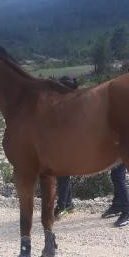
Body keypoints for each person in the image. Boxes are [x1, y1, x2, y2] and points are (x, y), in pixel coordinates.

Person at [53, 76, 79, 220]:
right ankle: (68, 204)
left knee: (63, 176)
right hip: (65, 145)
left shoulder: (69, 105)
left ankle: (62, 206)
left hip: (66, 146)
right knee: (64, 176)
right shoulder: (72, 102)